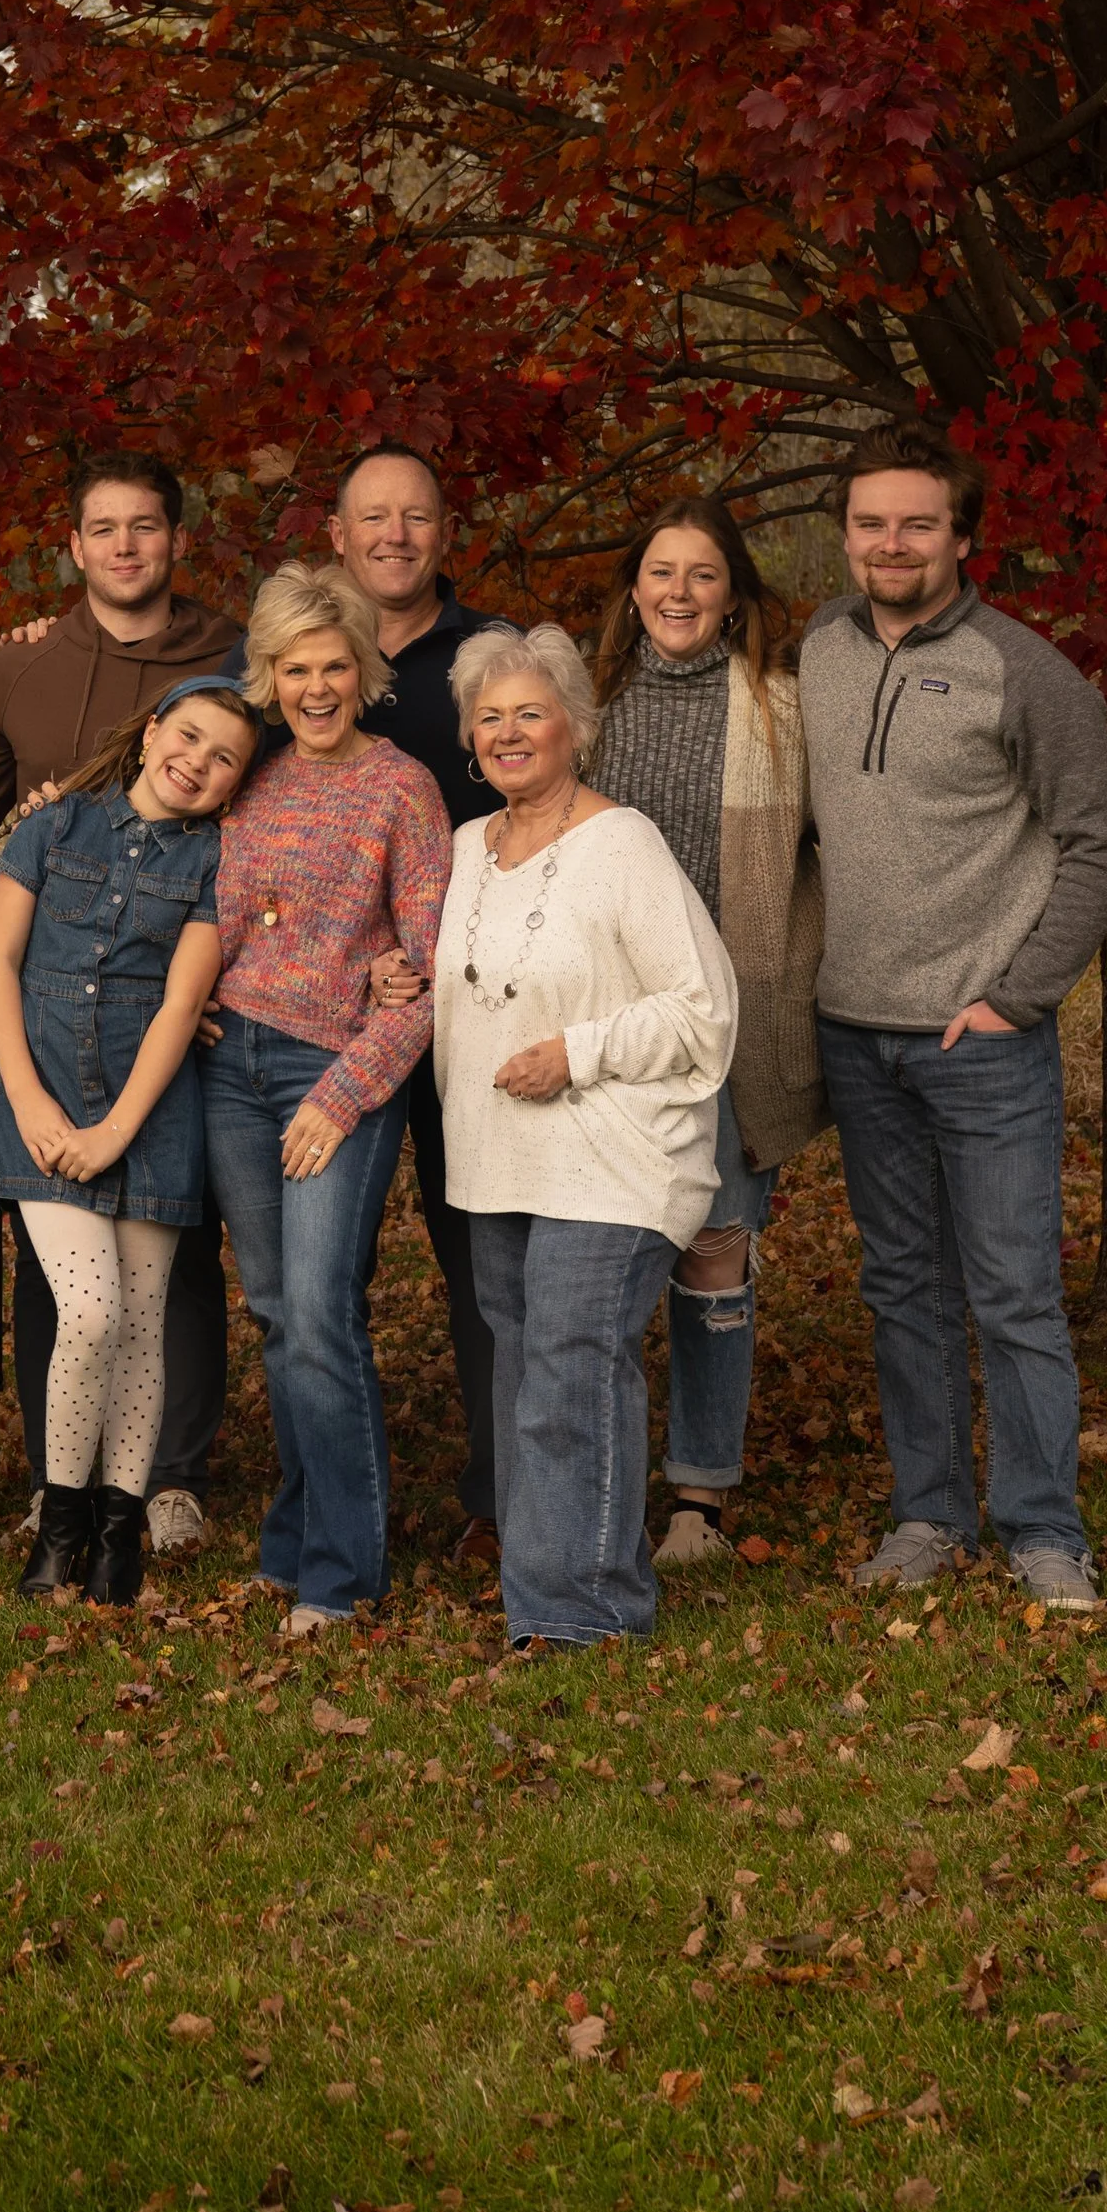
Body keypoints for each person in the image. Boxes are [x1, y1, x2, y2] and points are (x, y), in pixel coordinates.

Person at [802, 420, 1107, 1616]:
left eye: (916, 523)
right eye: (869, 522)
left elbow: (1103, 847)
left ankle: (1046, 1531)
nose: (890, 543)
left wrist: (1016, 996)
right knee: (903, 1288)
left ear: (962, 535)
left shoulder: (1025, 671)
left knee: (1013, 1295)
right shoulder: (819, 650)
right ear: (843, 533)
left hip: (980, 1045)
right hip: (854, 1033)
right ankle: (929, 1514)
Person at [0, 451, 242, 1557]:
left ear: (175, 540)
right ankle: (58, 1478)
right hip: (46, 1011)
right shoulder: (18, 668)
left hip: (177, 1002)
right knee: (59, 1266)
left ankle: (168, 1477)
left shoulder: (230, 658)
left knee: (173, 1253)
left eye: (146, 528)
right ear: (72, 547)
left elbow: (277, 803)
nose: (126, 547)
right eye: (103, 530)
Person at [437, 624, 739, 1646]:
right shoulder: (458, 854)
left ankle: (585, 1614)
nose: (509, 733)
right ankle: (549, 1593)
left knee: (570, 1372)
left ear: (575, 726)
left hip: (612, 1156)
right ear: (468, 740)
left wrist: (579, 1050)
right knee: (527, 1377)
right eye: (490, 718)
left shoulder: (623, 844)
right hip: (498, 1163)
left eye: (531, 712)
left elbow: (704, 1009)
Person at [203, 564, 451, 1632]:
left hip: (331, 1073)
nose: (314, 687)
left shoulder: (402, 787)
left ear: (363, 671)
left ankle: (342, 1572)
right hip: (229, 1070)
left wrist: (344, 1094)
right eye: (293, 669)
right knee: (274, 1313)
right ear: (266, 677)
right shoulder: (245, 774)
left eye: (332, 666)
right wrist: (199, 999)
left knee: (317, 1313)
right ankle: (299, 1534)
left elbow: (434, 975)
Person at [0, 678, 260, 1603]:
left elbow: (184, 1004)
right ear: (150, 734)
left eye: (224, 759)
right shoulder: (54, 828)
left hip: (151, 1112)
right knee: (89, 1313)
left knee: (142, 1328)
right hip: (44, 1098)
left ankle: (117, 1534)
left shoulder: (218, 861)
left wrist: (118, 1132)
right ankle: (57, 1525)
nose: (198, 763)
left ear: (235, 784)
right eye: (188, 738)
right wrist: (31, 1105)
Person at [582, 497, 822, 1568]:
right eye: (660, 572)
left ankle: (698, 1498)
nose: (677, 593)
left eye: (703, 576)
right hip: (597, 1021)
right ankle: (589, 1480)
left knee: (713, 1250)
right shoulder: (586, 703)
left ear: (734, 598)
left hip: (729, 1022)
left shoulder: (783, 709)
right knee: (595, 1254)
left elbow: (839, 861)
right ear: (633, 589)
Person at [319, 443, 507, 1562]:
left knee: (480, 1256)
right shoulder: (298, 657)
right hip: (316, 1017)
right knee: (313, 1274)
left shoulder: (488, 659)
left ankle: (499, 1492)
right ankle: (334, 1499)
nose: (395, 535)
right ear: (336, 536)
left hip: (466, 1008)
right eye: (372, 517)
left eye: (417, 517)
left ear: (445, 533)